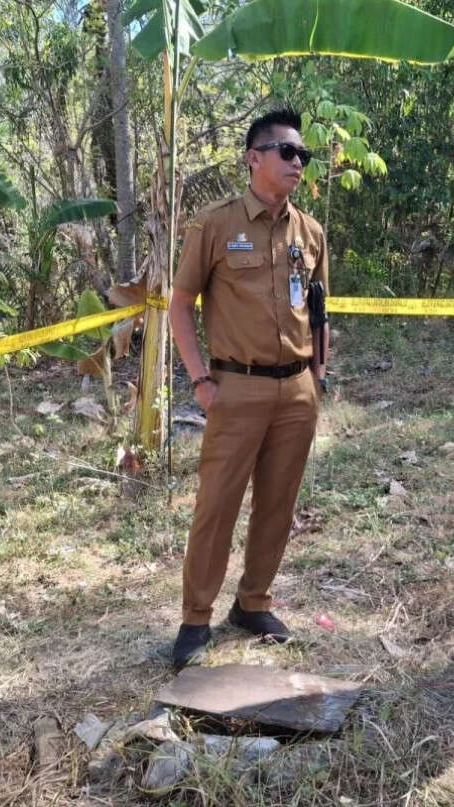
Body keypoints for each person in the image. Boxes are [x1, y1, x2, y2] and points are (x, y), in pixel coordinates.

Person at [168, 108, 330, 669]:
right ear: (253, 157)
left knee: (278, 506)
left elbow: (319, 311)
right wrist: (201, 381)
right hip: (234, 388)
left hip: (296, 391)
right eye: (287, 152)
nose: (298, 163)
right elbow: (179, 306)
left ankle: (253, 602)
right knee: (217, 506)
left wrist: (318, 377)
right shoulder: (213, 225)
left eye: (303, 155)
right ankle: (196, 618)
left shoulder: (310, 232)